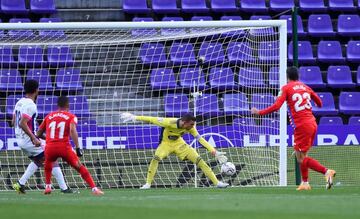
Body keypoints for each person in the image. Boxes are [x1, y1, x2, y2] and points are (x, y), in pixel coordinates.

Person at [251, 66, 336, 190]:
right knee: (302, 156)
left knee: (301, 158)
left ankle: (326, 171)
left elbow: (276, 106)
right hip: (312, 123)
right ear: (298, 76)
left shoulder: (286, 88)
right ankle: (305, 183)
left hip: (302, 126)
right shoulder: (306, 87)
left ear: (287, 77)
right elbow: (319, 103)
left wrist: (260, 112)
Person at [121, 112, 229, 189]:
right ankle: (148, 184)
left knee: (200, 160)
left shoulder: (191, 127)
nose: (193, 126)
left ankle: (217, 183)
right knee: (156, 158)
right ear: (184, 122)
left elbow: (200, 139)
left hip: (179, 144)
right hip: (166, 144)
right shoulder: (169, 122)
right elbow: (151, 119)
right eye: (191, 124)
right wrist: (135, 117)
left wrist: (214, 151)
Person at [11, 80, 72, 194]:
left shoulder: (19, 102)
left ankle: (20, 184)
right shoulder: (31, 105)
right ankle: (64, 189)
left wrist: (41, 136)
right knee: (52, 158)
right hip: (29, 140)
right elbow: (22, 123)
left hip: (20, 139)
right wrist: (34, 138)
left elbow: (13, 121)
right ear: (36, 90)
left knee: (38, 160)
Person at [36, 96, 103, 195]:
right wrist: (78, 147)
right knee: (79, 166)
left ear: (57, 105)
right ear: (68, 105)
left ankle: (48, 187)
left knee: (48, 163)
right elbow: (72, 130)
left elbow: (38, 133)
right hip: (64, 147)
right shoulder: (71, 116)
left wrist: (49, 139)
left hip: (50, 147)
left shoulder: (49, 116)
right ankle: (94, 189)